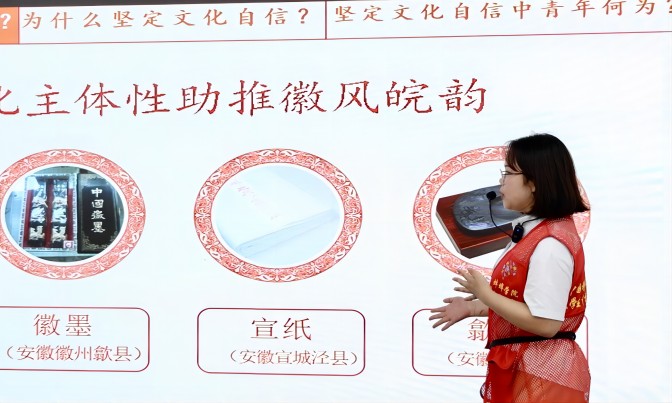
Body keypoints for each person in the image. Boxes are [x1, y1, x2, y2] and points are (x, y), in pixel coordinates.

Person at [430, 133, 591, 402]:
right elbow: (529, 303)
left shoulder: (550, 243)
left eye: (508, 173)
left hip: (542, 374)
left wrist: (485, 293)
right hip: (527, 367)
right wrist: (474, 307)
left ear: (534, 182)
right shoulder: (537, 231)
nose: (501, 183)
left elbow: (546, 323)